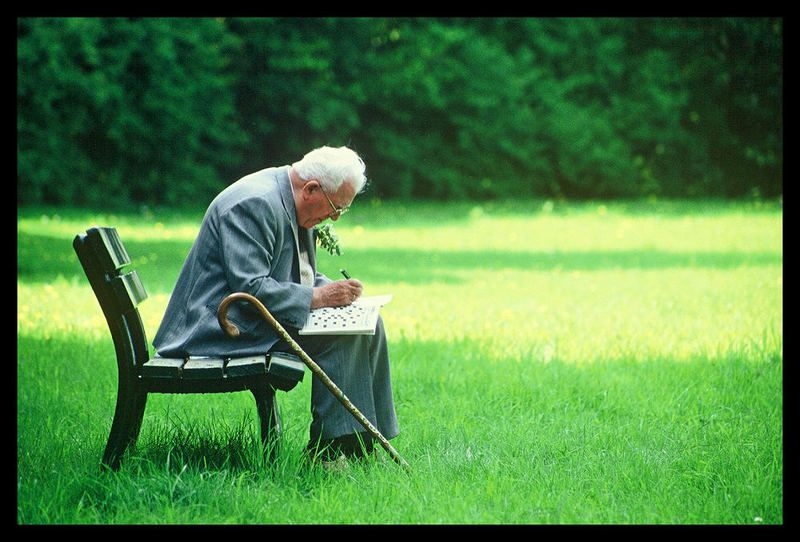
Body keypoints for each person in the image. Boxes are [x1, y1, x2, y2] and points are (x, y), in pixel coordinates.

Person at [152, 145, 399, 464]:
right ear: (311, 189)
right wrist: (321, 298)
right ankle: (332, 453)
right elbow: (251, 287)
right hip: (220, 327)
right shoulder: (254, 203)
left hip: (248, 316)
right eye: (335, 208)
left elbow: (298, 275)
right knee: (344, 333)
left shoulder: (291, 200)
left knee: (367, 322)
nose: (334, 218)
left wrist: (335, 292)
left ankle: (363, 442)